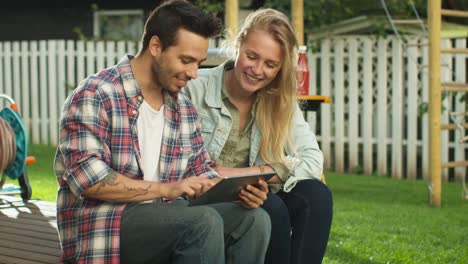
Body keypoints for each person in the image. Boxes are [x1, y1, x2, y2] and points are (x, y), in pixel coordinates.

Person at [54, 1, 271, 263]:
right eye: (186, 60)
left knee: (253, 219)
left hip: (166, 217)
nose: (194, 73)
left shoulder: (182, 108)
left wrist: (238, 190)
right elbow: (88, 179)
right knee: (203, 221)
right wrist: (169, 189)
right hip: (103, 227)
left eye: (199, 63)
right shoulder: (96, 94)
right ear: (155, 46)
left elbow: (200, 169)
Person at [183, 8, 333, 264]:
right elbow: (177, 164)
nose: (257, 70)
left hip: (254, 191)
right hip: (200, 196)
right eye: (252, 56)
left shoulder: (280, 101)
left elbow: (312, 160)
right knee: (271, 208)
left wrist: (256, 174)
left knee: (316, 195)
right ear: (238, 45)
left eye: (270, 64)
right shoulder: (194, 89)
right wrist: (228, 179)